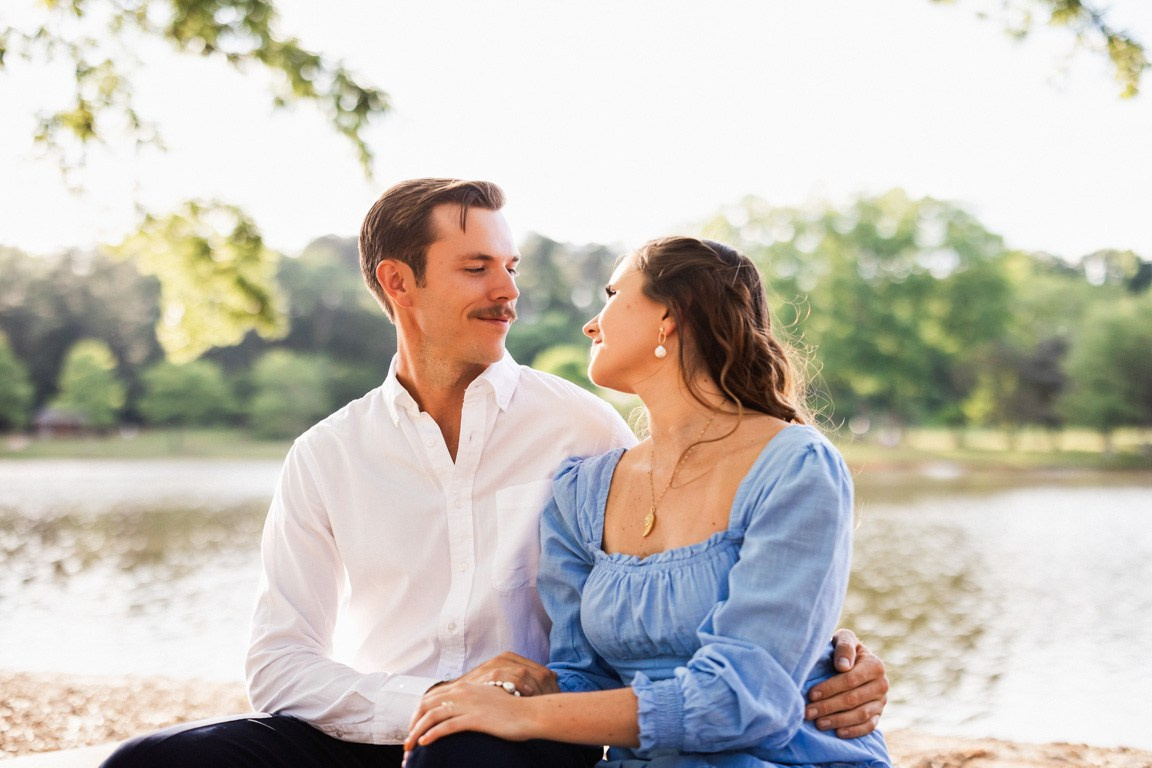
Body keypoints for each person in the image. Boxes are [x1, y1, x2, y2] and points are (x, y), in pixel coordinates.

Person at [101, 181, 887, 768]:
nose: (509, 291)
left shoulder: (583, 431)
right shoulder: (326, 454)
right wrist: (437, 702)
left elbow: (706, 589)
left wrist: (826, 652)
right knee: (147, 763)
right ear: (398, 283)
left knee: (462, 752)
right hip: (380, 723)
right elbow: (280, 664)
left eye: (509, 266)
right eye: (478, 268)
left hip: (514, 744)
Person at [404, 236, 892, 767]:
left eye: (612, 295)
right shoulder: (582, 490)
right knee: (453, 745)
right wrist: (517, 688)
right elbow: (585, 676)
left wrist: (524, 716)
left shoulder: (795, 465)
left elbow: (745, 698)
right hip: (648, 759)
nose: (591, 325)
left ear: (671, 313)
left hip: (778, 756)